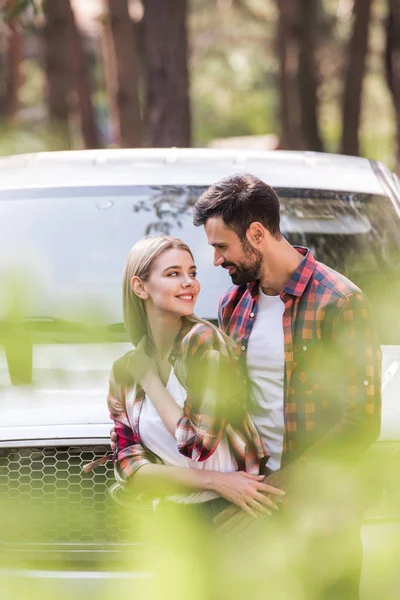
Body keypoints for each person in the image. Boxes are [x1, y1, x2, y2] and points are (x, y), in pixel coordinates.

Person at [189, 173, 382, 599]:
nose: (217, 261)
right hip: (250, 508)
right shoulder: (233, 305)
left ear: (256, 234)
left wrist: (275, 492)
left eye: (221, 246)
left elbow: (360, 421)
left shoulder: (339, 302)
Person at [91, 235, 284, 525]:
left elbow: (197, 444)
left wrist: (150, 380)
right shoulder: (123, 372)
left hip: (232, 510)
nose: (189, 283)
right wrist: (215, 480)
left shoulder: (205, 344)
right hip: (171, 516)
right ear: (139, 287)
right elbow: (129, 467)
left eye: (192, 273)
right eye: (173, 274)